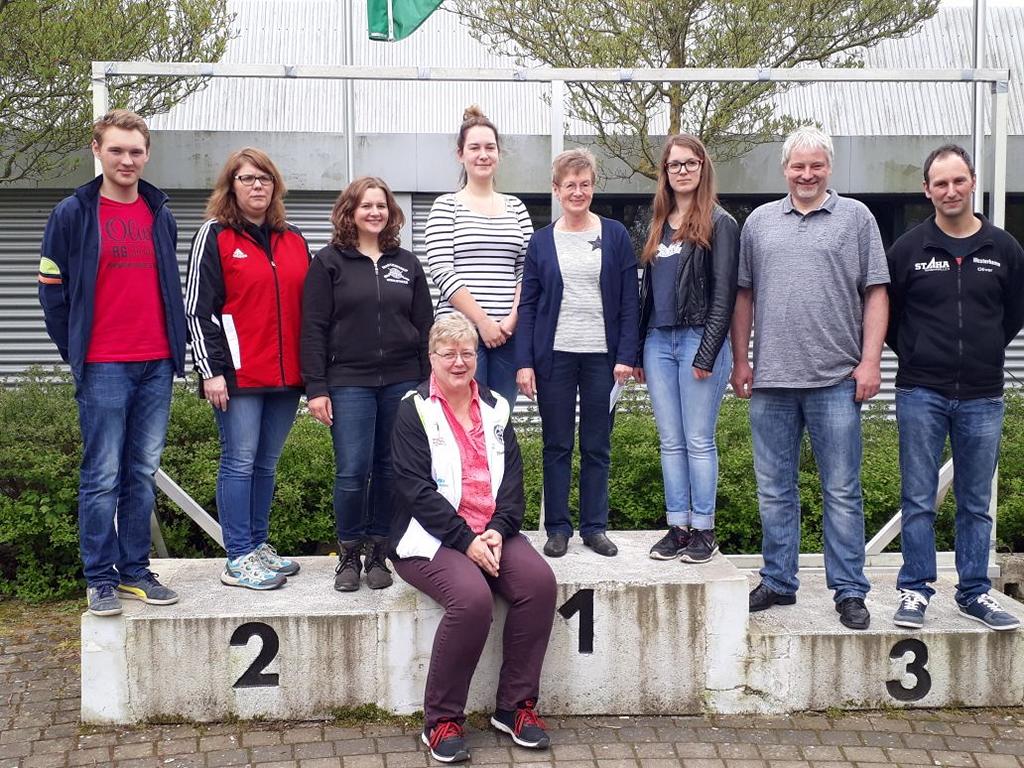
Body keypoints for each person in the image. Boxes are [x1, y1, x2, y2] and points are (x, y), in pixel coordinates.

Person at [730, 126, 889, 630]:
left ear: (829, 167)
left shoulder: (857, 218)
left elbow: (876, 292)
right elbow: (743, 296)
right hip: (772, 380)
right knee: (774, 490)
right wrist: (740, 360)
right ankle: (779, 581)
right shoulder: (759, 222)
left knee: (841, 490)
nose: (806, 174)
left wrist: (870, 361)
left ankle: (850, 591)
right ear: (785, 169)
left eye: (816, 165)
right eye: (798, 166)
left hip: (836, 379)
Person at [38, 109, 186, 616]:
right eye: (117, 149)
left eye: (136, 151)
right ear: (97, 149)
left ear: (147, 155)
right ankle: (100, 578)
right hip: (103, 364)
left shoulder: (159, 213)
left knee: (141, 472)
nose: (127, 160)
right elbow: (51, 288)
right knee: (101, 475)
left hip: (156, 362)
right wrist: (76, 351)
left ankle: (135, 572)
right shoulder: (72, 213)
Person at [391, 313, 557, 764]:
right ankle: (441, 721)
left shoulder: (496, 406)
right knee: (472, 600)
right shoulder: (413, 409)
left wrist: (499, 530)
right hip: (431, 537)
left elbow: (513, 482)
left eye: (467, 353)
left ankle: (514, 708)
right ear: (432, 357)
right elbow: (414, 490)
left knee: (539, 584)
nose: (459, 362)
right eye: (448, 354)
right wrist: (466, 541)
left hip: (491, 531)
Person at [886, 144, 1024, 631]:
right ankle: (915, 589)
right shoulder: (908, 250)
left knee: (975, 502)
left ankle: (974, 593)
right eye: (940, 183)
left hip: (983, 394)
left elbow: (1012, 315)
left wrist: (980, 351)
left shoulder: (1004, 249)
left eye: (958, 181)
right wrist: (919, 351)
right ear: (927, 190)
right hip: (920, 390)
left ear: (972, 183)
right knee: (918, 498)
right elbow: (889, 318)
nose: (950, 191)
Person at [185, 148, 310, 591]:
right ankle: (237, 557)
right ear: (231, 186)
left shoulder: (293, 238)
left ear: (275, 186)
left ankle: (257, 545)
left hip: (286, 377)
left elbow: (310, 309)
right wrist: (209, 370)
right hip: (236, 377)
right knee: (239, 462)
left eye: (265, 178)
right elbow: (197, 309)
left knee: (266, 464)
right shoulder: (214, 235)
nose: (257, 186)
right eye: (247, 178)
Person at [302, 177, 433, 592]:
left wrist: (428, 382)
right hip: (348, 382)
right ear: (350, 212)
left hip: (402, 381)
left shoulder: (407, 264)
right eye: (366, 206)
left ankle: (379, 552)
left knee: (391, 469)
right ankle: (348, 555)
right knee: (353, 471)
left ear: (390, 213)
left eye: (381, 206)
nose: (374, 212)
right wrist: (316, 387)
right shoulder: (328, 263)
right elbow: (313, 328)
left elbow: (425, 326)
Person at [516, 148, 640, 559]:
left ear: (593, 187)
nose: (578, 192)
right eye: (570, 185)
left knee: (596, 445)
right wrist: (524, 362)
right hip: (554, 357)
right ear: (556, 189)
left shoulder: (615, 235)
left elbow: (629, 300)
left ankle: (594, 527)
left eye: (585, 184)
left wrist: (626, 354)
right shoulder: (541, 241)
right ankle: (557, 528)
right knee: (556, 444)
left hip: (603, 358)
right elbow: (528, 306)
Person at [635, 135, 739, 564]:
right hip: (658, 342)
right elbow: (646, 293)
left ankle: (704, 530)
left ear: (702, 167)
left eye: (690, 163)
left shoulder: (720, 222)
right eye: (674, 164)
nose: (682, 171)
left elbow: (725, 294)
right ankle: (678, 526)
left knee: (698, 440)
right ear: (665, 171)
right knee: (670, 441)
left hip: (699, 338)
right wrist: (637, 350)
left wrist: (708, 352)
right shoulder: (657, 222)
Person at [425, 105, 534, 409]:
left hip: (507, 336)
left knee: (498, 418)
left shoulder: (516, 208)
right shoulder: (446, 206)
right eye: (474, 148)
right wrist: (483, 323)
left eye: (490, 147)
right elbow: (442, 270)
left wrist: (511, 319)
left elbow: (527, 269)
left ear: (499, 153)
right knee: (460, 418)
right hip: (458, 337)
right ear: (460, 154)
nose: (483, 155)